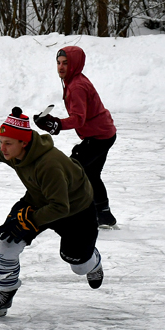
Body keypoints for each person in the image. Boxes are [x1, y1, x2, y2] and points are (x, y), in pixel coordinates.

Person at [0, 108, 104, 319]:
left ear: (23, 143)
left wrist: (31, 220)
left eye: (8, 143)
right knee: (6, 243)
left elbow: (60, 207)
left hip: (76, 211)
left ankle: (93, 261)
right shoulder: (15, 151)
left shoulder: (49, 164)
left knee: (77, 264)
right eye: (2, 141)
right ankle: (4, 294)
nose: (3, 148)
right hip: (38, 200)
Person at [33, 46, 118, 228]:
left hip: (99, 136)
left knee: (70, 171)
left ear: (75, 64)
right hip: (103, 133)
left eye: (66, 63)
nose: (61, 67)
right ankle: (104, 215)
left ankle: (63, 212)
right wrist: (50, 121)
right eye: (58, 63)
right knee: (91, 175)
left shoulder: (77, 86)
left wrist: (56, 124)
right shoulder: (74, 81)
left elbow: (79, 119)